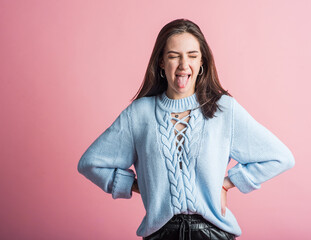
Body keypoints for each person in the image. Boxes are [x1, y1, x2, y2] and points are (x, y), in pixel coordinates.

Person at [77, 18, 295, 240]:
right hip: (161, 234)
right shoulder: (139, 113)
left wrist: (227, 184)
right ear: (161, 61)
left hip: (214, 233)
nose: (183, 65)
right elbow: (90, 163)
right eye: (173, 56)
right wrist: (134, 185)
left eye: (192, 55)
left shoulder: (224, 110)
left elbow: (281, 158)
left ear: (202, 62)